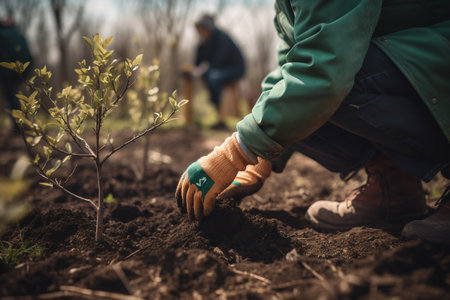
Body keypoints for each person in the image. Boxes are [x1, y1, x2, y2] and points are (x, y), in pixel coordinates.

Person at [176, 1, 450, 244]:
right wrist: (259, 159)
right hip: (411, 58)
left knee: (330, 86)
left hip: (438, 55)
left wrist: (236, 152)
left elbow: (325, 70)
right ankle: (394, 187)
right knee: (291, 102)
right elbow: (288, 65)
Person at [192, 14, 245, 129]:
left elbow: (219, 60)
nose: (200, 32)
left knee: (213, 78)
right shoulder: (203, 43)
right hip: (217, 71)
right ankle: (216, 110)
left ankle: (222, 115)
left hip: (235, 69)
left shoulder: (221, 37)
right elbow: (197, 62)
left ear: (207, 28)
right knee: (209, 77)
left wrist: (205, 69)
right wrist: (196, 70)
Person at [0, 17, 33, 130]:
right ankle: (23, 121)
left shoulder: (2, 35)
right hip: (25, 68)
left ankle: (18, 124)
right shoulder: (18, 34)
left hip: (9, 70)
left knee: (10, 95)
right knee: (16, 94)